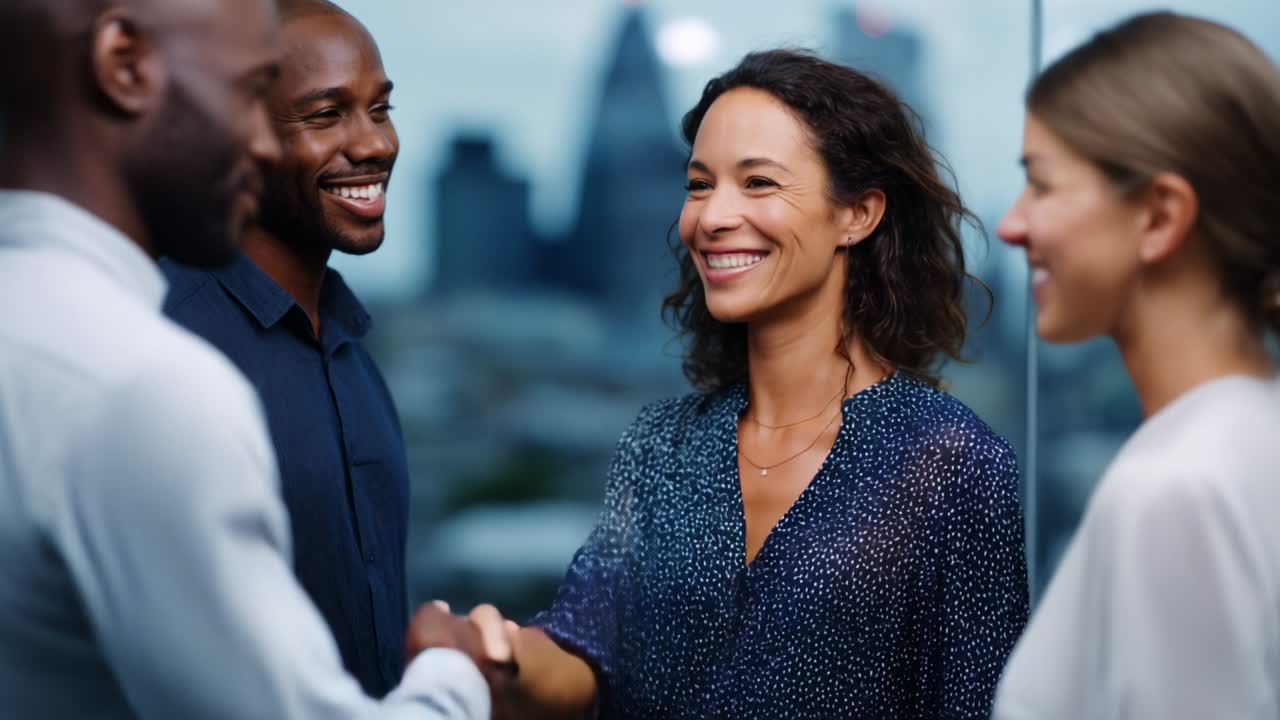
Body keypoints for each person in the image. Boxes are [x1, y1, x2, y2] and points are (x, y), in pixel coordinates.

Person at [410, 49, 1029, 719]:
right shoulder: (664, 444)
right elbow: (585, 648)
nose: (711, 218)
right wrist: (489, 652)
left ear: (858, 214)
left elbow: (983, 706)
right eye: (700, 185)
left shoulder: (952, 464)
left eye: (758, 183)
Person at [0, 0, 503, 717]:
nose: (255, 145)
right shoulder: (154, 377)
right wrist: (455, 674)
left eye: (380, 109)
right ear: (122, 64)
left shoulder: (354, 361)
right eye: (240, 94)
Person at [992, 12, 1280, 720]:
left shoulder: (1174, 490)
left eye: (1043, 183)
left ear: (1158, 217)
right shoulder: (1249, 436)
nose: (1012, 223)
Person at [161, 0, 409, 696]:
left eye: (381, 109)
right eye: (326, 115)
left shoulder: (355, 359)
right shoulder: (172, 352)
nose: (375, 145)